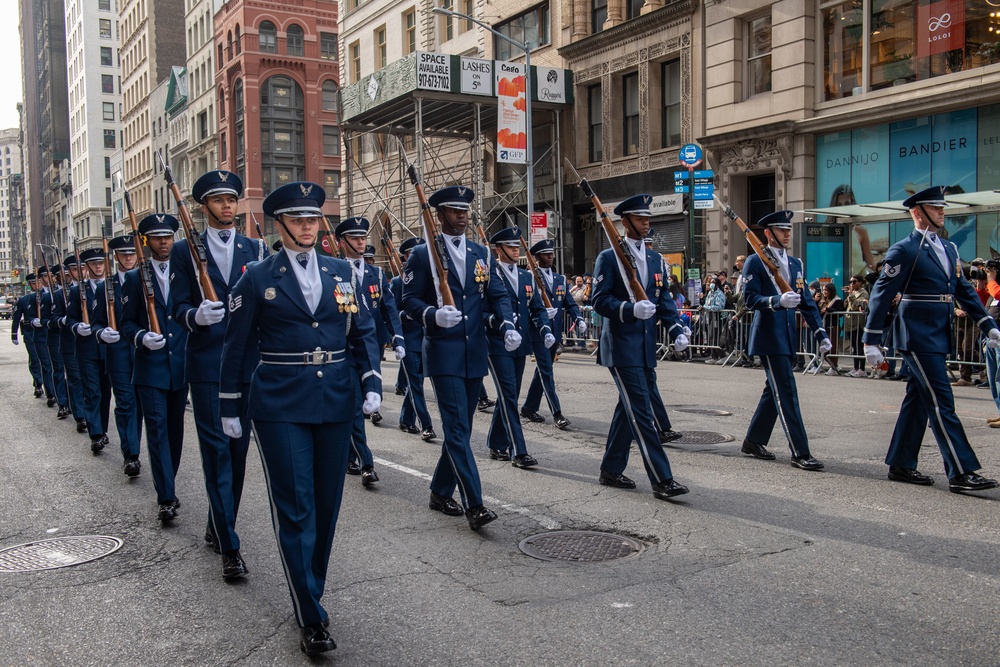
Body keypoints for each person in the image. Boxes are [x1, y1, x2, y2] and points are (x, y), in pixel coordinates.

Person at [219, 181, 382, 656]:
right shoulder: (256, 277)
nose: (308, 226)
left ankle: (311, 587)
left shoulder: (340, 273)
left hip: (335, 398)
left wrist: (370, 379)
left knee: (327, 506)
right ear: (280, 224)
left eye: (313, 218)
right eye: (298, 219)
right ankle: (311, 615)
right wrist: (230, 404)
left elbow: (362, 331)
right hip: (280, 404)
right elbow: (236, 347)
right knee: (296, 508)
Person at [863, 186, 1000, 493]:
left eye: (942, 207)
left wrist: (986, 323)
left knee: (919, 399)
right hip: (915, 333)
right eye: (935, 208)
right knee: (942, 401)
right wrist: (870, 340)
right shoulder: (903, 249)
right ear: (917, 212)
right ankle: (961, 471)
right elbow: (881, 295)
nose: (942, 212)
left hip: (938, 330)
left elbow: (963, 291)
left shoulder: (949, 249)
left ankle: (901, 462)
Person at [401, 184, 517, 530]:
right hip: (444, 352)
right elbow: (408, 300)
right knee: (455, 429)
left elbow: (497, 293)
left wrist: (508, 323)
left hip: (474, 352)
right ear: (440, 214)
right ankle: (475, 503)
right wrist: (432, 315)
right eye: (455, 211)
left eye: (465, 210)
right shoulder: (423, 255)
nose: (462, 216)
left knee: (461, 432)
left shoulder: (481, 253)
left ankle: (439, 489)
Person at [171, 169, 268, 580]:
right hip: (208, 366)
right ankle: (230, 545)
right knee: (217, 453)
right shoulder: (183, 251)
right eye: (219, 200)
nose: (228, 206)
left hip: (246, 366)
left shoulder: (256, 248)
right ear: (203, 206)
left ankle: (218, 520)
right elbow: (175, 304)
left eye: (231, 199)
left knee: (238, 452)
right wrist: (195, 315)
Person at [592, 194, 691, 500]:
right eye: (641, 218)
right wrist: (628, 309)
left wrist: (676, 328)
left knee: (628, 408)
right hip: (620, 345)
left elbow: (662, 300)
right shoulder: (608, 258)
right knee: (641, 411)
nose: (647, 223)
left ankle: (611, 468)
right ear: (625, 222)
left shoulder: (655, 259)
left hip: (646, 346)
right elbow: (599, 301)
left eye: (648, 218)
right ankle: (662, 478)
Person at [740, 210, 832, 470]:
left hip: (788, 335)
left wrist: (819, 332)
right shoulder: (755, 262)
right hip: (768, 335)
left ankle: (753, 440)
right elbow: (749, 299)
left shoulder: (795, 264)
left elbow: (806, 301)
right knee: (787, 391)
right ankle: (800, 452)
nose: (787, 234)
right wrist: (775, 301)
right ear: (768, 234)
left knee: (774, 391)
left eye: (788, 230)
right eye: (782, 230)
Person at [119, 214, 189, 521]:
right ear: (146, 241)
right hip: (150, 367)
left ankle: (168, 480)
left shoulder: (186, 271)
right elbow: (126, 323)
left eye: (168, 236)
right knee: (158, 430)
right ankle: (166, 496)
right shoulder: (136, 278)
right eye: (157, 237)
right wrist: (140, 337)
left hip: (180, 365)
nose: (164, 242)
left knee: (175, 433)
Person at [336, 216, 398, 486]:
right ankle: (366, 462)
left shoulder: (377, 274)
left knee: (360, 406)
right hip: (345, 350)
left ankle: (349, 455)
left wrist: (398, 338)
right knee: (354, 406)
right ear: (343, 242)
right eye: (355, 238)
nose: (361, 242)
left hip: (370, 347)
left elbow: (389, 308)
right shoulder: (334, 271)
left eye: (363, 238)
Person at [486, 226, 551, 467]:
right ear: (499, 249)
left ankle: (495, 442)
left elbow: (536, 307)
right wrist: (498, 324)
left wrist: (544, 329)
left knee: (509, 395)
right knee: (508, 394)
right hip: (496, 343)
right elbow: (481, 312)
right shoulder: (489, 275)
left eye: (517, 246)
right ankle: (519, 451)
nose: (516, 250)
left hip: (520, 345)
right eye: (511, 246)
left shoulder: (526, 277)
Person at [91, 235, 143, 477]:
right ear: (116, 257)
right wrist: (102, 333)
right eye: (124, 254)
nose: (129, 258)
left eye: (132, 253)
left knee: (142, 406)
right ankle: (131, 455)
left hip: (144, 352)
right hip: (119, 353)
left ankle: (140, 446)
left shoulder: (146, 280)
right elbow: (96, 323)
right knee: (125, 404)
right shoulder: (106, 286)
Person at [520, 239, 586, 429]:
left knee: (543, 370)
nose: (550, 257)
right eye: (546, 254)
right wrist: (537, 315)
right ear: (537, 257)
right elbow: (523, 305)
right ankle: (557, 413)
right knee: (546, 371)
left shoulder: (559, 279)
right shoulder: (529, 277)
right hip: (538, 332)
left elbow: (569, 302)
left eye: (552, 254)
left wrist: (578, 318)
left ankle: (528, 407)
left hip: (554, 333)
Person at [66, 248, 113, 453]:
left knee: (105, 392)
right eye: (93, 264)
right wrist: (77, 327)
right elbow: (69, 319)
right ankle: (95, 434)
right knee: (92, 392)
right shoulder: (78, 291)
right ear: (86, 267)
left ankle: (102, 428)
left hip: (107, 349)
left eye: (100, 263)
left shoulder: (111, 286)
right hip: (86, 349)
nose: (98, 267)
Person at [390, 237, 435, 441]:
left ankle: (406, 418)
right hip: (408, 338)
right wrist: (404, 315)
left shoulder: (429, 278)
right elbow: (390, 312)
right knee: (416, 383)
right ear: (404, 257)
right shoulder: (397, 283)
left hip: (426, 339)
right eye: (408, 255)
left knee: (416, 382)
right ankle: (426, 424)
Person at [51, 256, 89, 432]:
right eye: (75, 270)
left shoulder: (94, 290)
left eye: (82, 269)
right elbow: (53, 319)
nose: (79, 273)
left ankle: (91, 413)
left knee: (90, 381)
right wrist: (65, 320)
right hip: (69, 343)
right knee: (74, 379)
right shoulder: (60, 295)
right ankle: (80, 416)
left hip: (90, 343)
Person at [11, 273, 46, 399]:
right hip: (30, 334)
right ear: (29, 285)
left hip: (44, 334)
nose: (37, 285)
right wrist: (14, 334)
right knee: (34, 360)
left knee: (46, 361)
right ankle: (38, 383)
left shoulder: (47, 297)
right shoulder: (23, 300)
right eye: (33, 283)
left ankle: (46, 385)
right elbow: (16, 318)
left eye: (39, 282)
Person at [843, 275, 869, 377]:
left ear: (860, 282)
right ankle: (855, 367)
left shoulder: (864, 293)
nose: (851, 284)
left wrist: (851, 296)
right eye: (850, 282)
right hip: (850, 323)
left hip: (858, 324)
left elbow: (856, 306)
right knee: (854, 347)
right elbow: (846, 306)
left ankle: (862, 369)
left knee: (859, 347)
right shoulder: (852, 292)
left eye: (854, 282)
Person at [819, 282, 845, 375]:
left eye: (826, 290)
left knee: (832, 348)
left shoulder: (837, 300)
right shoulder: (823, 300)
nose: (824, 292)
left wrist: (828, 309)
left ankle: (833, 366)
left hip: (833, 327)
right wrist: (817, 301)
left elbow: (841, 312)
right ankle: (834, 366)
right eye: (823, 290)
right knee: (823, 350)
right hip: (824, 327)